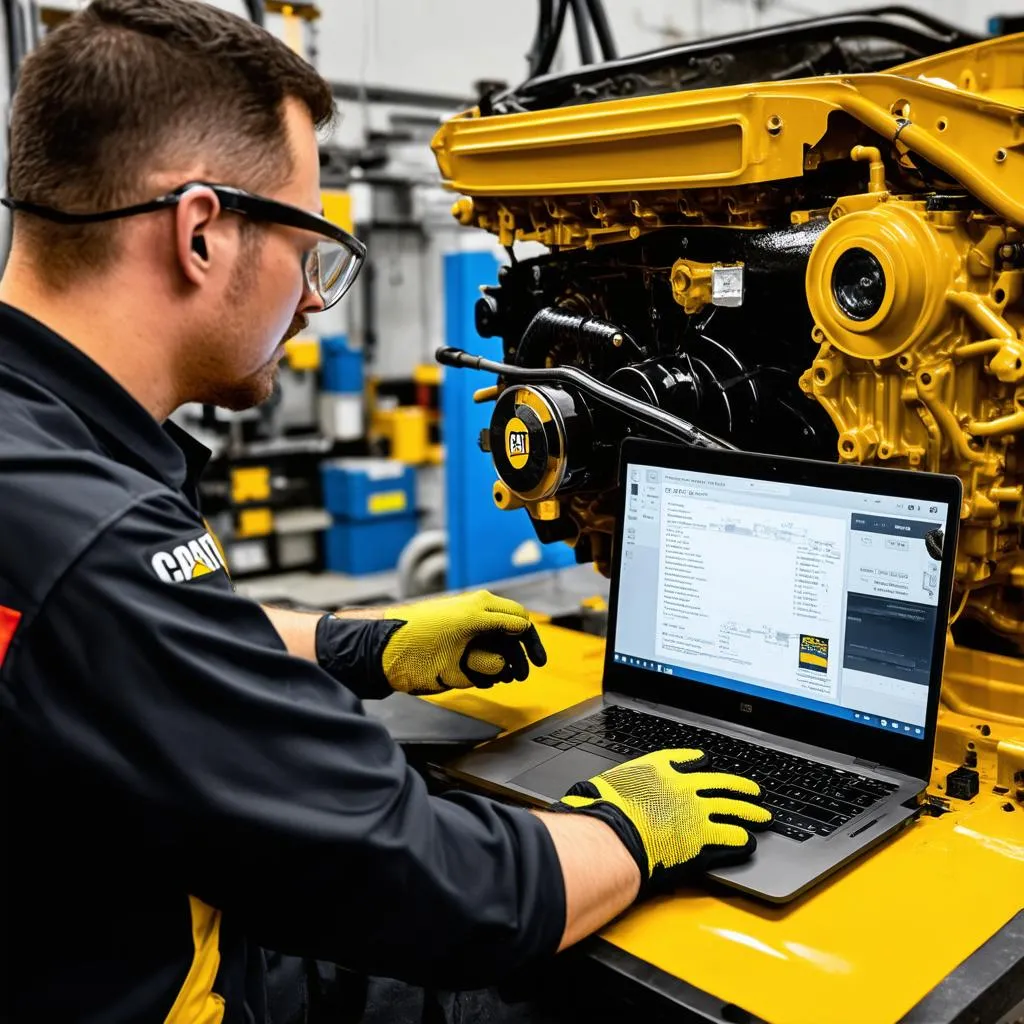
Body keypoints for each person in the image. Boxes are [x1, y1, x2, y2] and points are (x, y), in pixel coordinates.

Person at [0, 2, 771, 1022]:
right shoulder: (93, 534)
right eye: (310, 245)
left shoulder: (40, 454)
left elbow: (123, 649)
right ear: (200, 232)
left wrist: (358, 643)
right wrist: (628, 828)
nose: (316, 300)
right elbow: (442, 888)